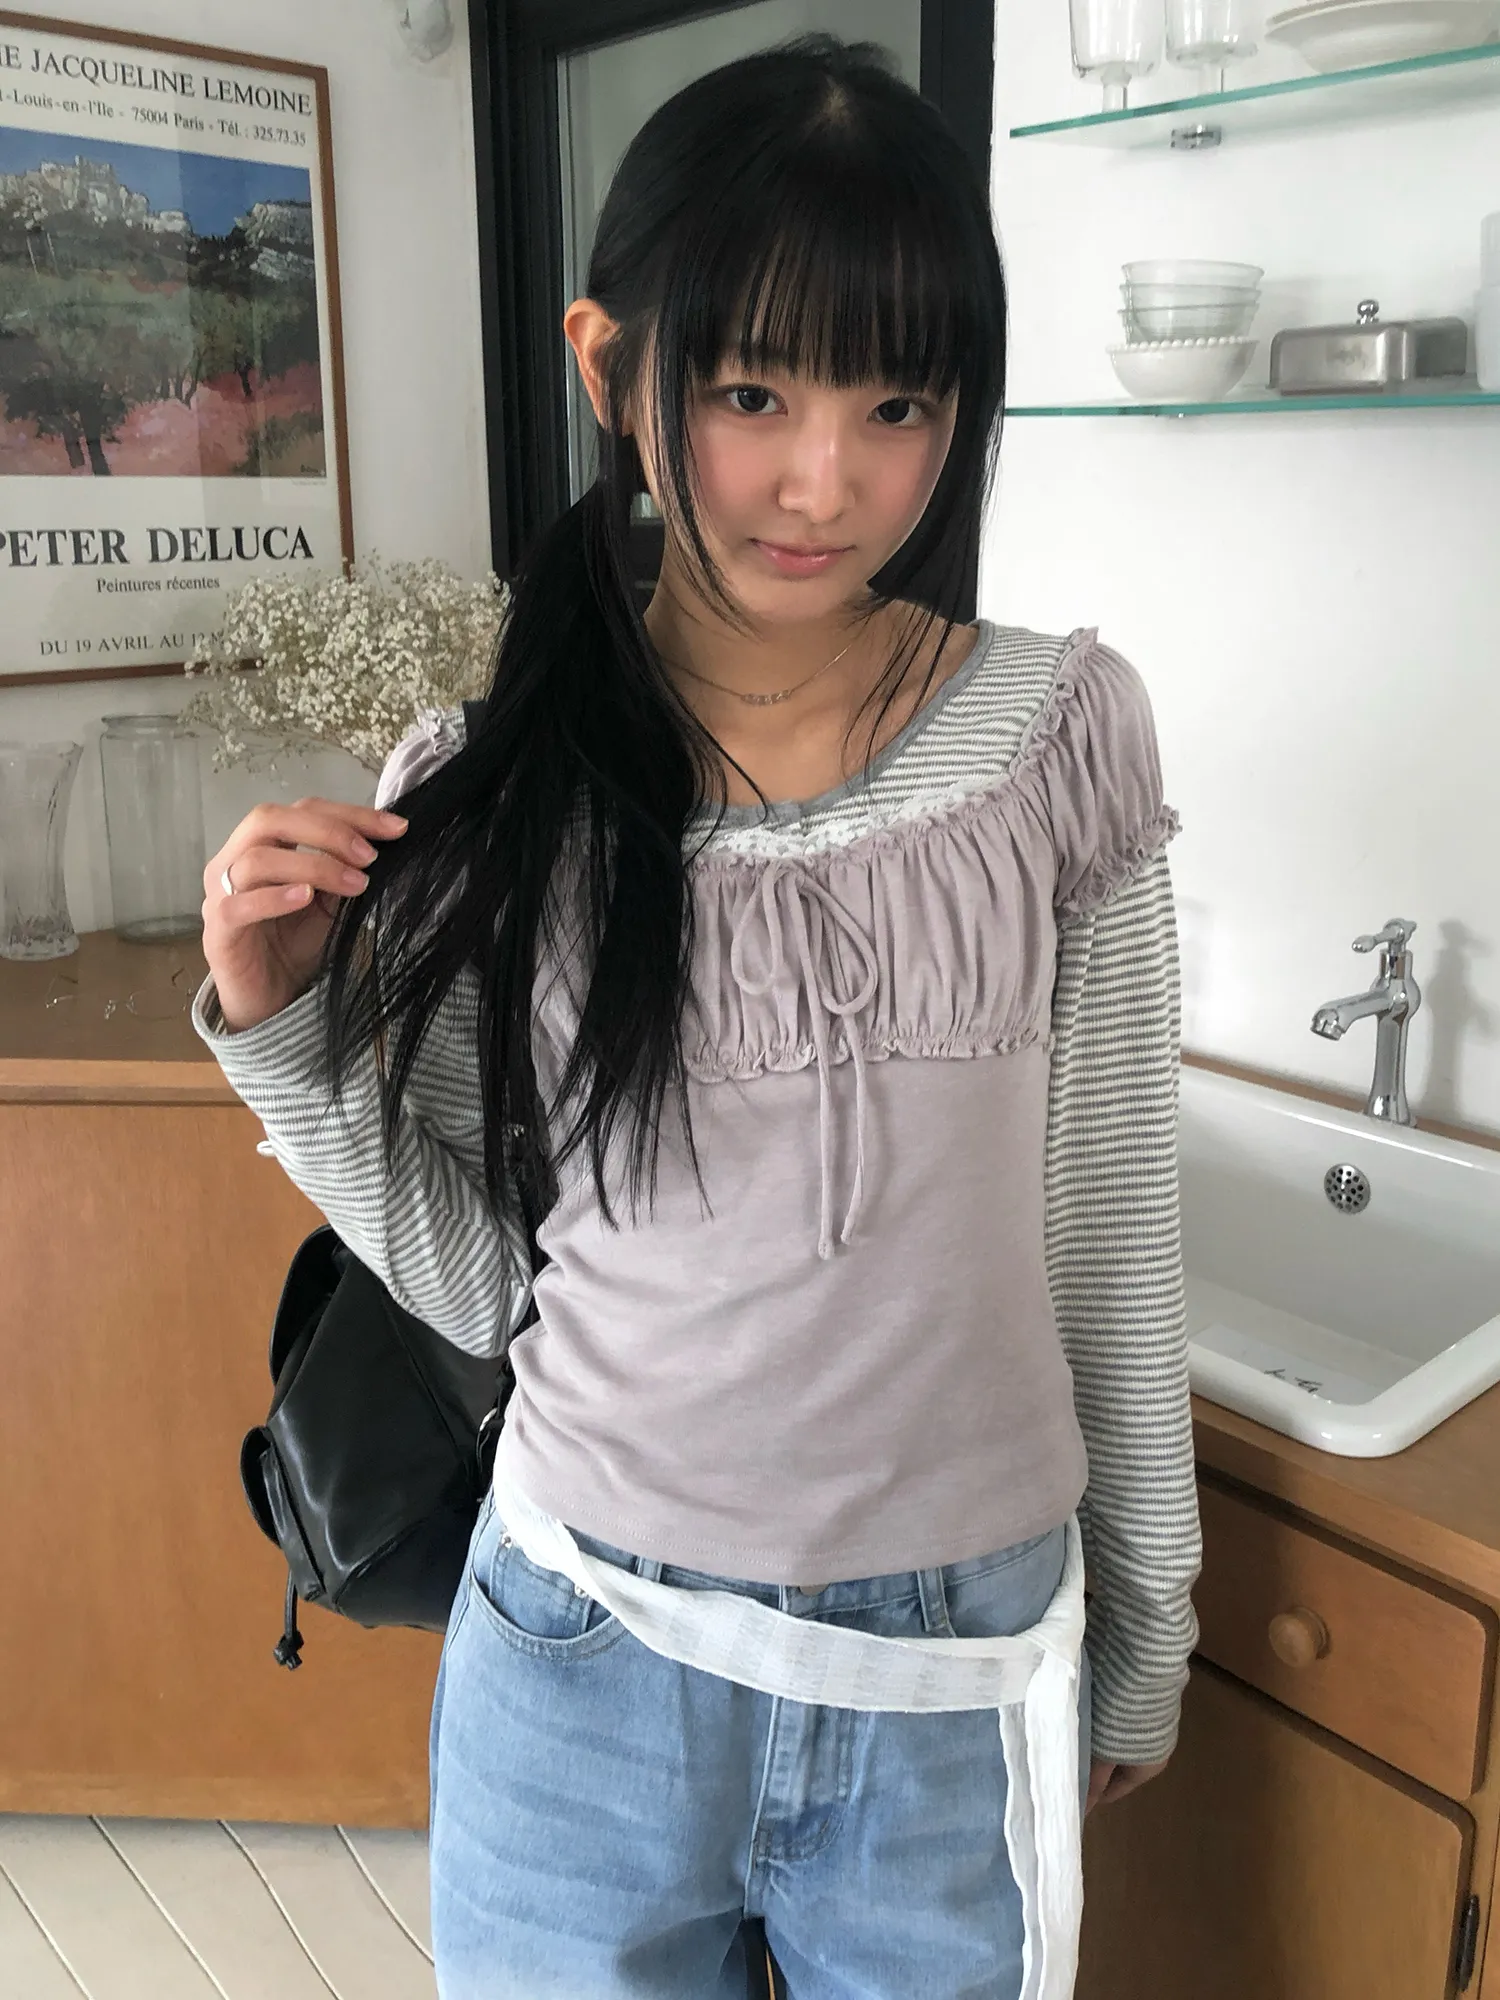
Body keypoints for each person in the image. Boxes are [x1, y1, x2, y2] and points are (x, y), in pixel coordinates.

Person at [194, 33, 1201, 2000]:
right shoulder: (490, 788)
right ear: (610, 369)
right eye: (752, 393)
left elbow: (1108, 1229)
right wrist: (288, 1035)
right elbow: (495, 1282)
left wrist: (1148, 1616)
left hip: (954, 1664)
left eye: (899, 403)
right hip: (586, 1650)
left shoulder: (1063, 738)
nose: (828, 480)